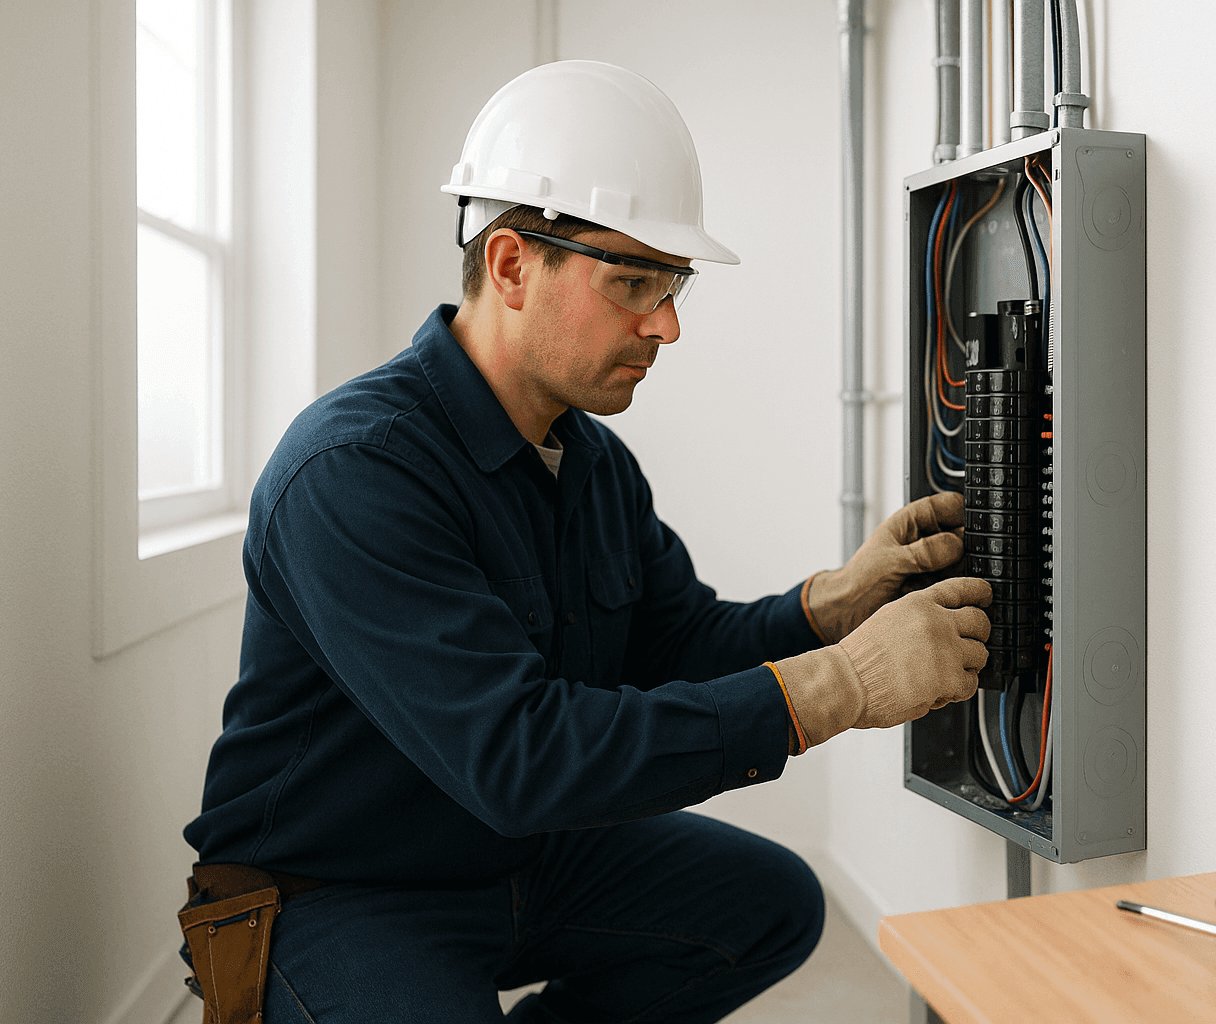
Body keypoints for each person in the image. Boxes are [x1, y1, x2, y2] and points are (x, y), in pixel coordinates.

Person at [180, 60, 991, 1023]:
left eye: (674, 282)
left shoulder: (591, 461)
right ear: (513, 265)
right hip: (337, 891)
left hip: (515, 855)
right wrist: (841, 685)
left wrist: (832, 605)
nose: (669, 324)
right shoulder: (355, 471)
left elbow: (672, 644)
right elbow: (518, 757)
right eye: (634, 282)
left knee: (769, 905)